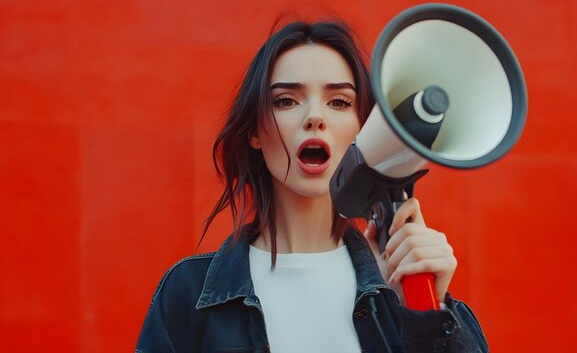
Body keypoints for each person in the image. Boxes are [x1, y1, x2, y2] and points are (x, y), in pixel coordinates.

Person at [136, 19, 488, 353]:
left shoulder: (398, 295)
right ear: (255, 133)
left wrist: (427, 312)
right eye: (286, 100)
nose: (315, 117)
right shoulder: (188, 293)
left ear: (362, 128)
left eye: (339, 102)